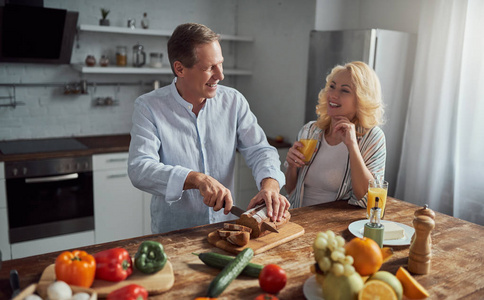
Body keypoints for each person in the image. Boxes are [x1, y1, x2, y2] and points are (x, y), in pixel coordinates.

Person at [128, 23, 289, 234]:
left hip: (226, 230)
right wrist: (196, 178)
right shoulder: (149, 106)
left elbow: (260, 150)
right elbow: (140, 169)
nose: (220, 75)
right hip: (174, 234)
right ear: (180, 69)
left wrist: (270, 185)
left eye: (220, 64)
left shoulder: (233, 101)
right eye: (209, 67)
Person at [285, 61, 386, 208]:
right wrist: (292, 166)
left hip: (334, 225)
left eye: (344, 90)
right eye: (332, 87)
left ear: (361, 99)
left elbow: (368, 199)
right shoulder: (310, 130)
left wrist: (352, 145)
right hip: (298, 217)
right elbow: (289, 189)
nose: (333, 94)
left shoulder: (372, 137)